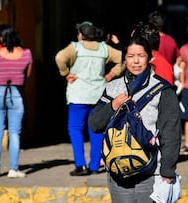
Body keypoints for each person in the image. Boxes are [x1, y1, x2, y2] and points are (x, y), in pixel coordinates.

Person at [89, 35, 181, 203]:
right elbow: (95, 124)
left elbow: (171, 133)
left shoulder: (163, 90)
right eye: (131, 56)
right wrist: (113, 105)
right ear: (125, 58)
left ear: (149, 57)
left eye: (141, 56)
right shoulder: (112, 87)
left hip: (151, 173)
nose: (136, 61)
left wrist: (167, 171)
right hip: (118, 175)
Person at [55, 21, 123, 176]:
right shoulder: (104, 48)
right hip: (98, 94)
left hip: (78, 94)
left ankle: (80, 165)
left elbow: (60, 57)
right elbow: (123, 58)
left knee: (75, 129)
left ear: (80, 35)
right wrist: (112, 74)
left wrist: (65, 73)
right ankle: (94, 165)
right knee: (96, 129)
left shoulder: (75, 47)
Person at [0, 24, 33, 178]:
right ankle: (13, 169)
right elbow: (27, 74)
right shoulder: (26, 54)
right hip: (16, 93)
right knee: (15, 133)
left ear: (1, 38)